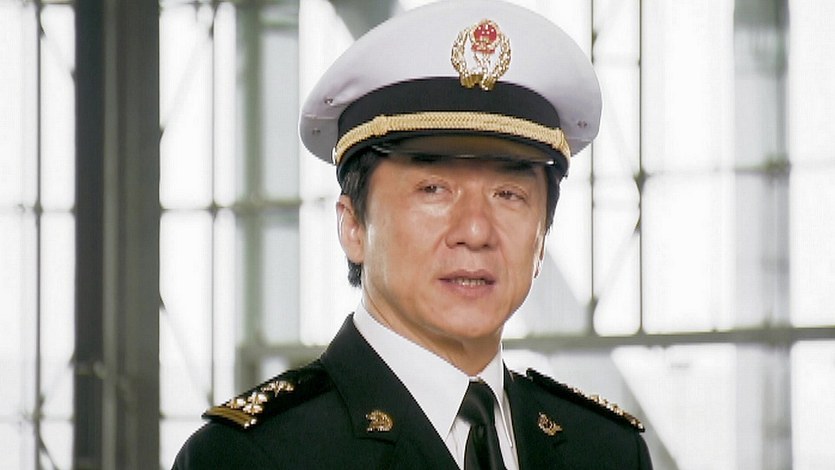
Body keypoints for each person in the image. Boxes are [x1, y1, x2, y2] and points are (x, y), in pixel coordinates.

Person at [173, 1, 652, 468]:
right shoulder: (253, 456)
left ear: (542, 237)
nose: (475, 231)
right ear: (353, 226)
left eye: (508, 194)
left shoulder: (606, 451)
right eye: (433, 189)